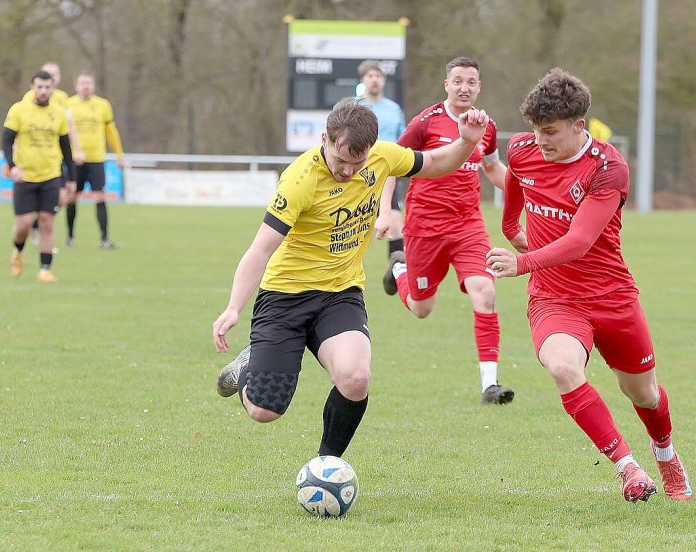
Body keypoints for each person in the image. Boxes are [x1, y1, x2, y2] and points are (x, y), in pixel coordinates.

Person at [211, 99, 489, 461]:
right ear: (324, 139)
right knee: (265, 411)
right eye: (341, 160)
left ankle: (326, 465)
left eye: (356, 164)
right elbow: (261, 249)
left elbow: (434, 162)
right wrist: (234, 307)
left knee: (356, 379)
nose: (347, 171)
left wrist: (466, 142)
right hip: (285, 297)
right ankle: (250, 364)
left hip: (340, 295)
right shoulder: (299, 180)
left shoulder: (382, 158)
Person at [486, 68, 692, 502]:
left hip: (612, 296)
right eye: (536, 130)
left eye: (551, 132)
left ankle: (667, 455)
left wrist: (522, 260)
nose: (541, 140)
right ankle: (628, 468)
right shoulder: (523, 149)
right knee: (563, 367)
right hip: (554, 297)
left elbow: (579, 242)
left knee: (645, 393)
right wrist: (510, 226)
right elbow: (514, 186)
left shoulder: (608, 167)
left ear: (579, 126)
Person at [376, 57, 514, 405]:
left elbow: (493, 167)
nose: (464, 87)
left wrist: (525, 188)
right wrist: (386, 211)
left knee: (485, 291)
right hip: (424, 228)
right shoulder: (426, 122)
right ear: (446, 85)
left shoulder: (487, 125)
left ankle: (490, 385)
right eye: (458, 81)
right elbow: (393, 163)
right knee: (422, 308)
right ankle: (400, 267)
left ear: (479, 87)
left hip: (468, 226)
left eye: (471, 81)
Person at [3, 70, 77, 282]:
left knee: (47, 222)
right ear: (32, 87)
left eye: (47, 87)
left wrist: (70, 178)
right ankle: (18, 251)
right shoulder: (19, 110)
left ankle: (45, 269)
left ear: (53, 88)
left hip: (51, 176)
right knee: (23, 225)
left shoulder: (59, 113)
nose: (43, 91)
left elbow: (66, 148)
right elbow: (7, 140)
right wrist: (12, 165)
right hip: (25, 176)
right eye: (40, 87)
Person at [23, 62, 84, 240]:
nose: (52, 77)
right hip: (37, 158)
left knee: (63, 198)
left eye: (55, 74)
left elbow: (70, 125)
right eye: (49, 73)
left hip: (57, 156)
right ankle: (38, 225)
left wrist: (78, 149)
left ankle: (39, 222)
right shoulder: (29, 97)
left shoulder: (63, 98)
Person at [66, 71, 125, 248]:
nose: (85, 86)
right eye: (82, 83)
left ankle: (104, 239)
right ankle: (70, 237)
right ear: (76, 86)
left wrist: (119, 154)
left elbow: (111, 132)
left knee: (100, 197)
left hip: (97, 159)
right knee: (71, 198)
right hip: (75, 160)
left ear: (93, 85)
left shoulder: (102, 105)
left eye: (88, 83)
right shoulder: (68, 105)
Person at [358, 60, 407, 260]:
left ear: (384, 80)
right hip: (359, 171)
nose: (374, 80)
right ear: (363, 80)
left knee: (395, 222)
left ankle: (396, 269)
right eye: (370, 76)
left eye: (378, 76)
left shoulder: (394, 109)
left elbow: (403, 139)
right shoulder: (355, 106)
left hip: (387, 172)